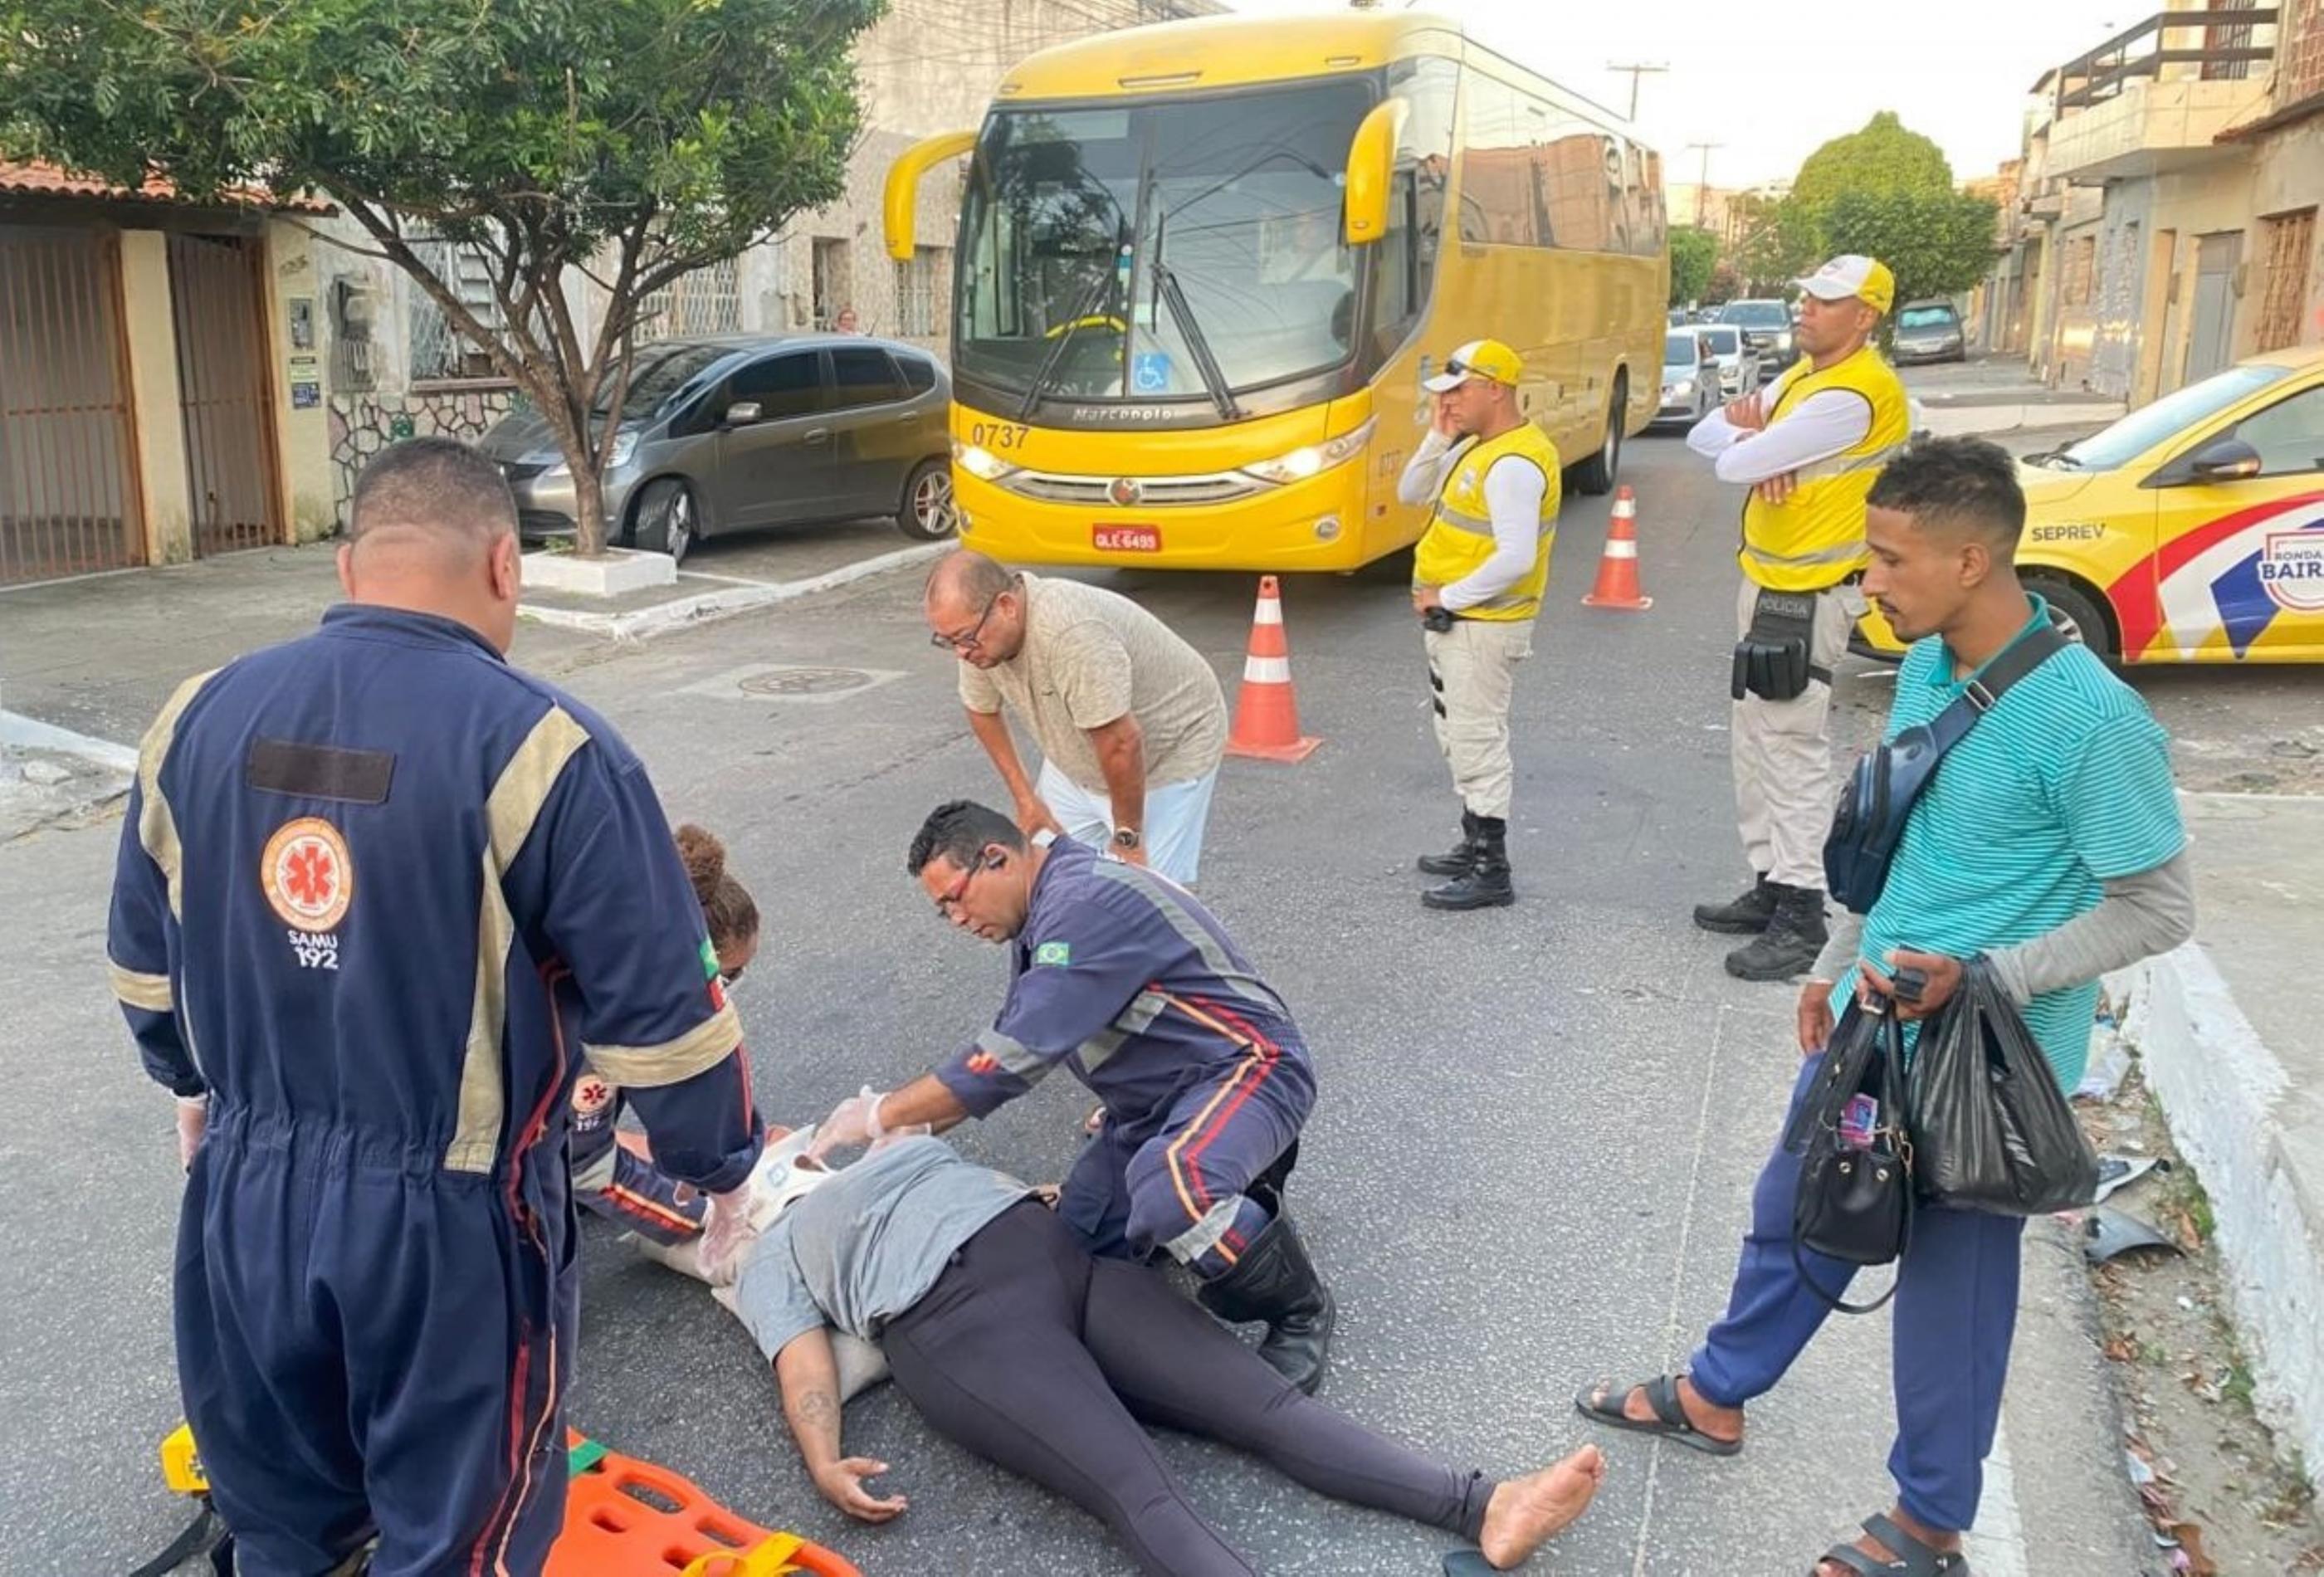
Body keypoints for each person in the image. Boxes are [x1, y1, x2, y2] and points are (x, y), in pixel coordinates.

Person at [106, 437, 764, 1576]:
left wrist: (190, 1088)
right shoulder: (549, 751)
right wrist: (725, 1169)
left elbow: (143, 972)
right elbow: (669, 1026)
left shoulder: (195, 719)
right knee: (460, 1543)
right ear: (505, 565)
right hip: (447, 1226)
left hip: (242, 1200)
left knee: (282, 1521)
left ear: (351, 565)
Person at [1575, 438, 2193, 1577]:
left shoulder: (2094, 722)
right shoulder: (1924, 667)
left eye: (1888, 558)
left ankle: (1929, 1523)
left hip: (1989, 1059)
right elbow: (1898, 838)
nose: (1870, 580)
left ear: (1971, 559)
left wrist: (1988, 975)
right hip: (1877, 1018)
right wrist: (1833, 958)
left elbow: (2157, 910)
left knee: (1951, 1295)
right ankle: (1718, 1394)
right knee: (1801, 1206)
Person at [732, 1127, 1608, 1575]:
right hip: (954, 1321)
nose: (783, 1151)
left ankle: (1485, 1505)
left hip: (1057, 1249)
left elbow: (1036, 1190)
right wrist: (823, 1459)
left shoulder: (908, 1148)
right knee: (1135, 1485)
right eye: (767, 1160)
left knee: (1267, 1405)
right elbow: (803, 1360)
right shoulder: (775, 1248)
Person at [811, 798, 1335, 1392]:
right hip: (1152, 1107)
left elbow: (1008, 1058)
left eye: (954, 898)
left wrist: (881, 1115)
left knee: (1174, 1191)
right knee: (1073, 1246)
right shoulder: (1042, 914)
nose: (955, 919)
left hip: (1247, 1071)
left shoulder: (1084, 907)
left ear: (996, 858)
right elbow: (1009, 1032)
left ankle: (1300, 1307)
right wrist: (921, 1125)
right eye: (941, 912)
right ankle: (1216, 1188)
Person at [1685, 255, 1910, 981]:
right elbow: (1703, 435)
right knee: (1756, 744)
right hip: (1773, 583)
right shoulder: (1803, 381)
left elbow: (1725, 461)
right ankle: (1772, 883)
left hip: (1810, 595)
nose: (1805, 307)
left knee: (1790, 749)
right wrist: (1756, 443)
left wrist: (1750, 446)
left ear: (1866, 315)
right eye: (1806, 294)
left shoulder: (1853, 394)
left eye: (1826, 299)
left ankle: (1802, 915)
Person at [927, 550, 1227, 887]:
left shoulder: (1070, 633)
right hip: (1080, 751)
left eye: (964, 638)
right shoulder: (979, 640)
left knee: (1143, 897)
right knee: (1041, 877)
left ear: (1007, 606)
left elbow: (1121, 743)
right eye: (947, 641)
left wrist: (1128, 839)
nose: (961, 653)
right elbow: (981, 709)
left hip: (1167, 750)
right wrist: (1026, 799)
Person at [1399, 337, 1560, 911]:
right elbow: (1410, 491)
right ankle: (1474, 843)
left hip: (1482, 625)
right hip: (1459, 622)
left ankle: (1492, 869)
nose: (1450, 401)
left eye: (1459, 391)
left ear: (1496, 388)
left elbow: (1516, 558)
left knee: (1477, 740)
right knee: (1457, 735)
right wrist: (1439, 434)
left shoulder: (1513, 463)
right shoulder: (1477, 446)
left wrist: (1452, 595)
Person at [568, 823, 759, 1260]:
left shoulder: (614, 959)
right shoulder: (600, 1017)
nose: (724, 992)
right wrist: (700, 1214)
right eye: (726, 976)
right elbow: (586, 1163)